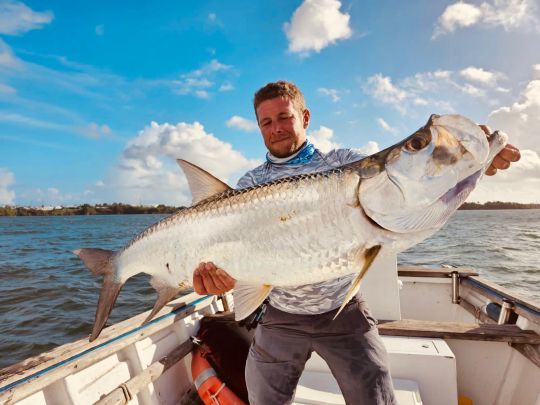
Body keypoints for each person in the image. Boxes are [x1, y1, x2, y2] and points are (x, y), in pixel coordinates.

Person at [192, 81, 521, 404]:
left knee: (376, 398)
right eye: (266, 122)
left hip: (343, 311)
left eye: (284, 117)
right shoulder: (250, 183)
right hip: (280, 317)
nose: (275, 128)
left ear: (305, 117)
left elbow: (407, 182)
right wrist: (223, 279)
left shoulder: (344, 163)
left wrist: (462, 157)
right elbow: (241, 257)